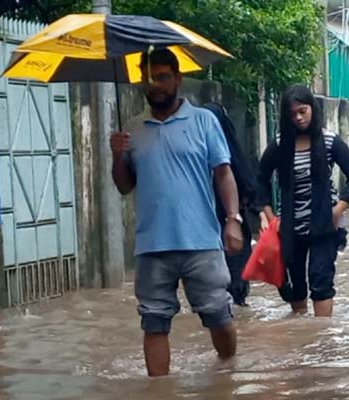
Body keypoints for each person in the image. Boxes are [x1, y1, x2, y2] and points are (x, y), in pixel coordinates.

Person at [110, 49, 242, 377]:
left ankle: (227, 373)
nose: (155, 84)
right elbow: (124, 186)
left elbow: (223, 173)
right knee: (154, 321)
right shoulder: (132, 130)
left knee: (218, 315)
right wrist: (116, 156)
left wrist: (232, 220)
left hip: (201, 241)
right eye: (148, 78)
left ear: (178, 79)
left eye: (163, 77)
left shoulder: (204, 121)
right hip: (152, 245)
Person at [257, 85, 349, 317]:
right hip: (290, 228)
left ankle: (323, 342)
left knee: (321, 280)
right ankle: (303, 344)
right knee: (295, 287)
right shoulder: (279, 145)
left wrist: (339, 209)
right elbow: (259, 180)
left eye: (303, 111)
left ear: (312, 109)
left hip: (325, 224)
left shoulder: (329, 141)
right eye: (293, 113)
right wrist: (269, 215)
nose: (299, 117)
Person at [204, 103, 258, 306]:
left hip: (224, 231)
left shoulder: (228, 162)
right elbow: (251, 190)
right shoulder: (233, 157)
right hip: (225, 232)